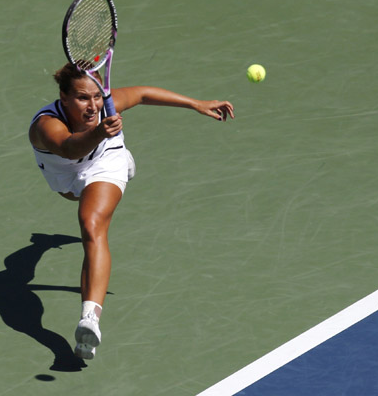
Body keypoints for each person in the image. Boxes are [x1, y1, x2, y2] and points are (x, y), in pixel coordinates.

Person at [28, 63, 234, 360]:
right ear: (63, 97)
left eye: (97, 97)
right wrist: (100, 129)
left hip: (105, 161)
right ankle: (44, 244)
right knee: (59, 226)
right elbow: (70, 148)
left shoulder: (103, 106)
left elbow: (142, 94)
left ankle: (90, 319)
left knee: (91, 224)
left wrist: (196, 103)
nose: (93, 105)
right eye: (82, 98)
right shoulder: (45, 125)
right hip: (68, 176)